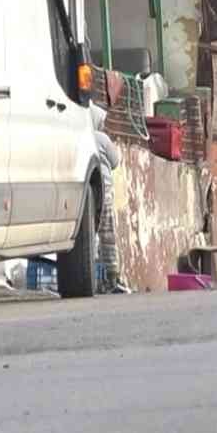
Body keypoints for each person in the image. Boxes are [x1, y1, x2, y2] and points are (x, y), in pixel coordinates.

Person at [91, 102, 131, 294]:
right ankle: (112, 277)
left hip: (87, 195)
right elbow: (115, 162)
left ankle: (90, 275)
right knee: (107, 235)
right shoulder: (102, 138)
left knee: (90, 234)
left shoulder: (82, 137)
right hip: (104, 192)